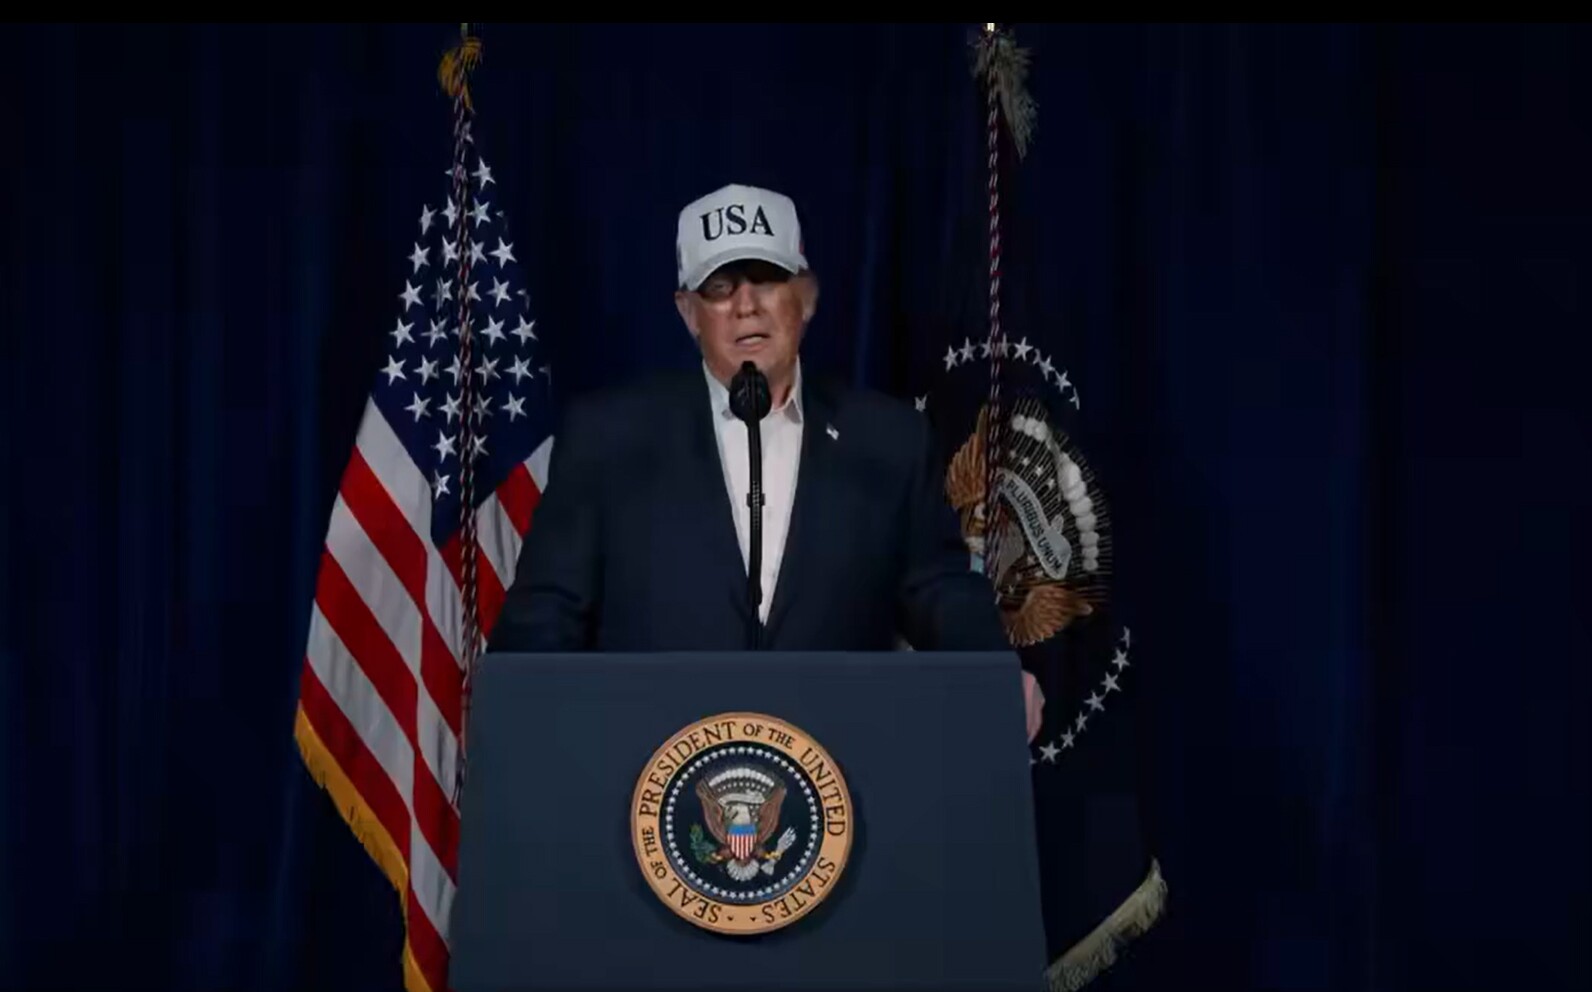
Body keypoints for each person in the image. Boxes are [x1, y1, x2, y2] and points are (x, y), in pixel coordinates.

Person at [489, 182, 1043, 737]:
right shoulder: (609, 439)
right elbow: (545, 616)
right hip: (648, 763)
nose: (745, 306)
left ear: (807, 298)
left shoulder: (888, 440)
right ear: (688, 313)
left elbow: (940, 591)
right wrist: (517, 725)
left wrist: (994, 673)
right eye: (719, 287)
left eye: (767, 278)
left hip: (838, 759)